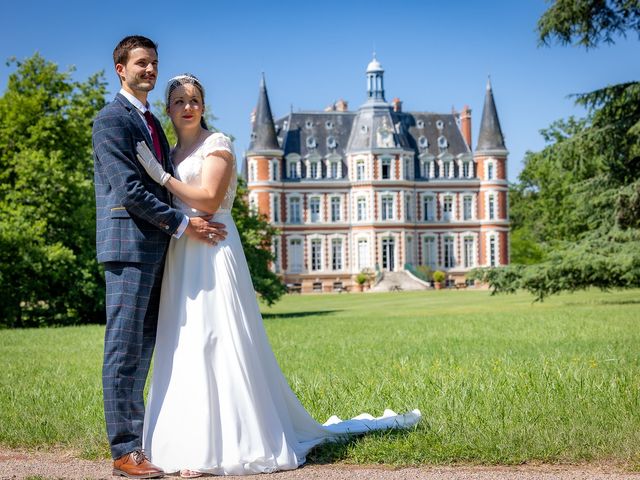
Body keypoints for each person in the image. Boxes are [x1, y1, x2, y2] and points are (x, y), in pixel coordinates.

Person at [136, 73, 421, 478]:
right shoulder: (169, 151)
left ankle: (233, 441)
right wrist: (162, 179)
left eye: (194, 99)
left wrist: (161, 177)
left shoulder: (216, 144)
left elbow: (211, 198)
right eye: (179, 100)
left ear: (204, 105)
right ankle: (184, 443)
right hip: (183, 249)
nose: (187, 106)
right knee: (184, 343)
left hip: (214, 248)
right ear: (168, 108)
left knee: (218, 338)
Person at [92, 36, 226, 479]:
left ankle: (145, 440)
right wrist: (185, 225)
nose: (149, 70)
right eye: (140, 63)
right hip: (129, 247)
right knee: (125, 349)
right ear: (120, 68)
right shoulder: (112, 120)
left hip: (157, 248)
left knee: (148, 348)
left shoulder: (151, 120)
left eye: (153, 63)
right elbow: (129, 191)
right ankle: (124, 451)